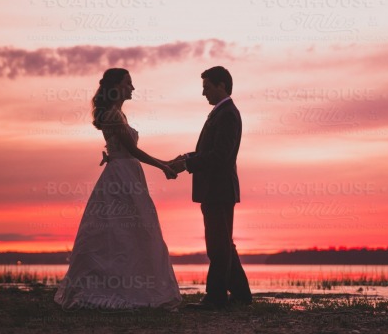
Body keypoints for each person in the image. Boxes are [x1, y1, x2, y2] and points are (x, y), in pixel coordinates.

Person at [54, 68, 181, 311]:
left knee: (133, 231)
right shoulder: (113, 115)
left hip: (128, 174)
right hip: (121, 177)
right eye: (128, 83)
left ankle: (132, 285)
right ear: (117, 86)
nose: (132, 88)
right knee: (121, 230)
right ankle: (114, 291)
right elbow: (133, 150)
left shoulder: (118, 113)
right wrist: (163, 165)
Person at [171, 66, 252, 310]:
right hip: (216, 190)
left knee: (217, 245)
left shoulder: (227, 114)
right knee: (223, 243)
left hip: (219, 190)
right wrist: (185, 157)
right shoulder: (221, 112)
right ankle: (241, 295)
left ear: (221, 86)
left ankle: (215, 297)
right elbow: (210, 151)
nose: (203, 93)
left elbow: (220, 156)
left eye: (207, 87)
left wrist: (187, 164)